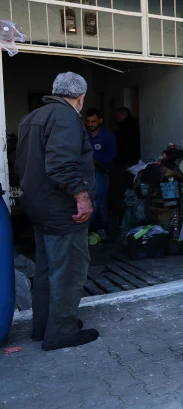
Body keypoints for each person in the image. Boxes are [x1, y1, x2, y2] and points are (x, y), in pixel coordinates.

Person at [15, 72, 100, 351]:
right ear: (80, 97)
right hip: (64, 210)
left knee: (46, 270)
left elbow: (21, 165)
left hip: (39, 207)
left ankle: (43, 327)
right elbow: (61, 165)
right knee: (69, 272)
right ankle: (61, 331)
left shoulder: (32, 118)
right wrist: (83, 198)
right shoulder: (65, 118)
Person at [85, 108, 117, 239]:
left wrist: (94, 158)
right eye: (88, 121)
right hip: (84, 173)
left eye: (93, 121)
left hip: (101, 171)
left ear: (100, 120)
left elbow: (112, 154)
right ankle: (87, 230)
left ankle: (101, 228)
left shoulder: (108, 136)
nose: (90, 124)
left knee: (100, 199)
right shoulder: (83, 134)